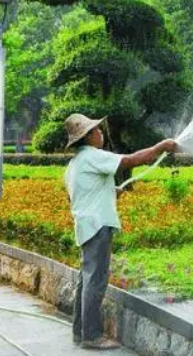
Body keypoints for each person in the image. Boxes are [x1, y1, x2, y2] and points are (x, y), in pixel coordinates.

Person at [63, 113, 178, 350]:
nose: (101, 132)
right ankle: (92, 336)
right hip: (98, 226)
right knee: (95, 281)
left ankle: (80, 332)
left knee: (86, 281)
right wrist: (160, 147)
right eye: (97, 130)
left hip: (86, 226)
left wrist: (108, 191)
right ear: (88, 136)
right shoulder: (93, 156)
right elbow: (130, 160)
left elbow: (79, 194)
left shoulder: (75, 163)